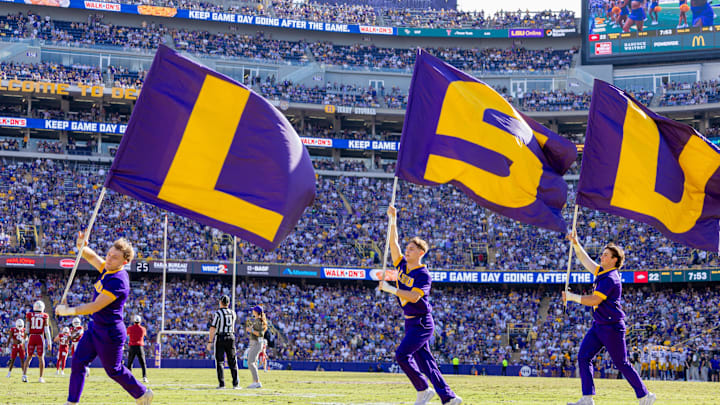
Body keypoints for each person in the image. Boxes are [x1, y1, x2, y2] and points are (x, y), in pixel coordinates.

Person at [55, 232, 153, 405]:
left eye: (114, 257)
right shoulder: (108, 268)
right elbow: (91, 257)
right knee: (78, 362)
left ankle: (142, 393)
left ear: (124, 261)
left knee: (113, 370)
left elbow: (95, 306)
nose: (108, 259)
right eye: (108, 254)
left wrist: (68, 311)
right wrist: (81, 246)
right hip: (95, 327)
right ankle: (72, 402)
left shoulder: (119, 280)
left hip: (110, 332)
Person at [378, 205, 462, 405]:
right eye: (407, 249)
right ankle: (449, 397)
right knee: (427, 363)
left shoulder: (423, 274)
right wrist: (393, 219)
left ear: (421, 253)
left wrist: (390, 289)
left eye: (411, 249)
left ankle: (423, 389)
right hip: (410, 322)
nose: (406, 251)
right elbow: (393, 242)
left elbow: (415, 297)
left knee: (401, 355)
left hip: (422, 322)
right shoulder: (402, 265)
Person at [564, 232, 655, 405]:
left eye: (606, 254)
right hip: (599, 324)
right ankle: (587, 398)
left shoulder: (611, 278)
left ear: (614, 260)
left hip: (612, 326)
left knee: (621, 363)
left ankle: (645, 395)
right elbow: (585, 261)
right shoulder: (602, 272)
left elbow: (594, 300)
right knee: (583, 356)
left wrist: (571, 297)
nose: (602, 256)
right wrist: (576, 243)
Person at [207, 295, 239, 389]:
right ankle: (235, 384)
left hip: (221, 337)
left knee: (220, 361)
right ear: (228, 303)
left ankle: (222, 384)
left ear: (220, 302)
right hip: (231, 337)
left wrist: (210, 341)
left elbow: (213, 328)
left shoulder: (218, 313)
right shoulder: (233, 313)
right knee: (232, 361)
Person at [22, 300, 51, 383]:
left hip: (32, 337)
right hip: (39, 338)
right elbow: (46, 330)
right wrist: (49, 342)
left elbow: (27, 330)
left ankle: (24, 375)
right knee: (41, 357)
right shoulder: (44, 315)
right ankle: (41, 377)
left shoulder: (30, 315)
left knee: (29, 357)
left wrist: (24, 341)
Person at [245, 305, 267, 388]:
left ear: (256, 312)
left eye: (253, 310)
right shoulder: (257, 320)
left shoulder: (258, 321)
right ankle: (255, 381)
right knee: (252, 362)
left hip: (257, 343)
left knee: (250, 362)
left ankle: (257, 381)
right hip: (256, 343)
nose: (252, 311)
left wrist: (251, 330)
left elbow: (260, 334)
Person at [127, 315, 148, 383]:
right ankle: (144, 377)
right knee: (143, 363)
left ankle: (128, 377)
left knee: (130, 362)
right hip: (140, 346)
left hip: (132, 346)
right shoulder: (143, 329)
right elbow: (145, 335)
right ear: (140, 321)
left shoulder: (130, 328)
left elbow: (127, 334)